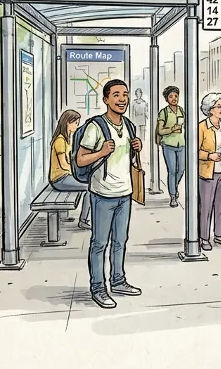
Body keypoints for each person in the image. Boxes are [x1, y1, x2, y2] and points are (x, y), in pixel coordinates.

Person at [75, 79, 143, 309]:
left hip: (125, 193)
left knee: (120, 241)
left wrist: (136, 148)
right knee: (99, 243)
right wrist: (102, 151)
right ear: (105, 99)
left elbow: (127, 159)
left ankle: (118, 280)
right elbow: (81, 159)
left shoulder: (130, 126)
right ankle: (98, 287)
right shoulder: (96, 126)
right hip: (102, 194)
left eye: (125, 94)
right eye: (116, 95)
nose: (122, 99)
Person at [197, 92, 221, 251]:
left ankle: (219, 235)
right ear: (209, 109)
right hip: (207, 173)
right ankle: (204, 238)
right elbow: (194, 151)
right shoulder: (201, 127)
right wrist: (209, 156)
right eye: (219, 106)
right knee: (206, 207)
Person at [49, 109, 92, 229]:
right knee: (90, 188)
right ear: (67, 122)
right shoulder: (60, 141)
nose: (76, 126)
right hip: (59, 180)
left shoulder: (67, 139)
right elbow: (64, 164)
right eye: (75, 123)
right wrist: (76, 173)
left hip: (64, 177)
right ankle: (83, 220)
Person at [156, 86, 184, 206]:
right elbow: (160, 131)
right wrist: (172, 129)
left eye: (176, 96)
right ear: (166, 99)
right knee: (172, 171)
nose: (174, 99)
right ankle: (173, 195)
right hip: (168, 145)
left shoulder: (182, 110)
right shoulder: (164, 112)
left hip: (182, 144)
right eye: (171, 96)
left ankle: (174, 186)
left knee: (181, 169)